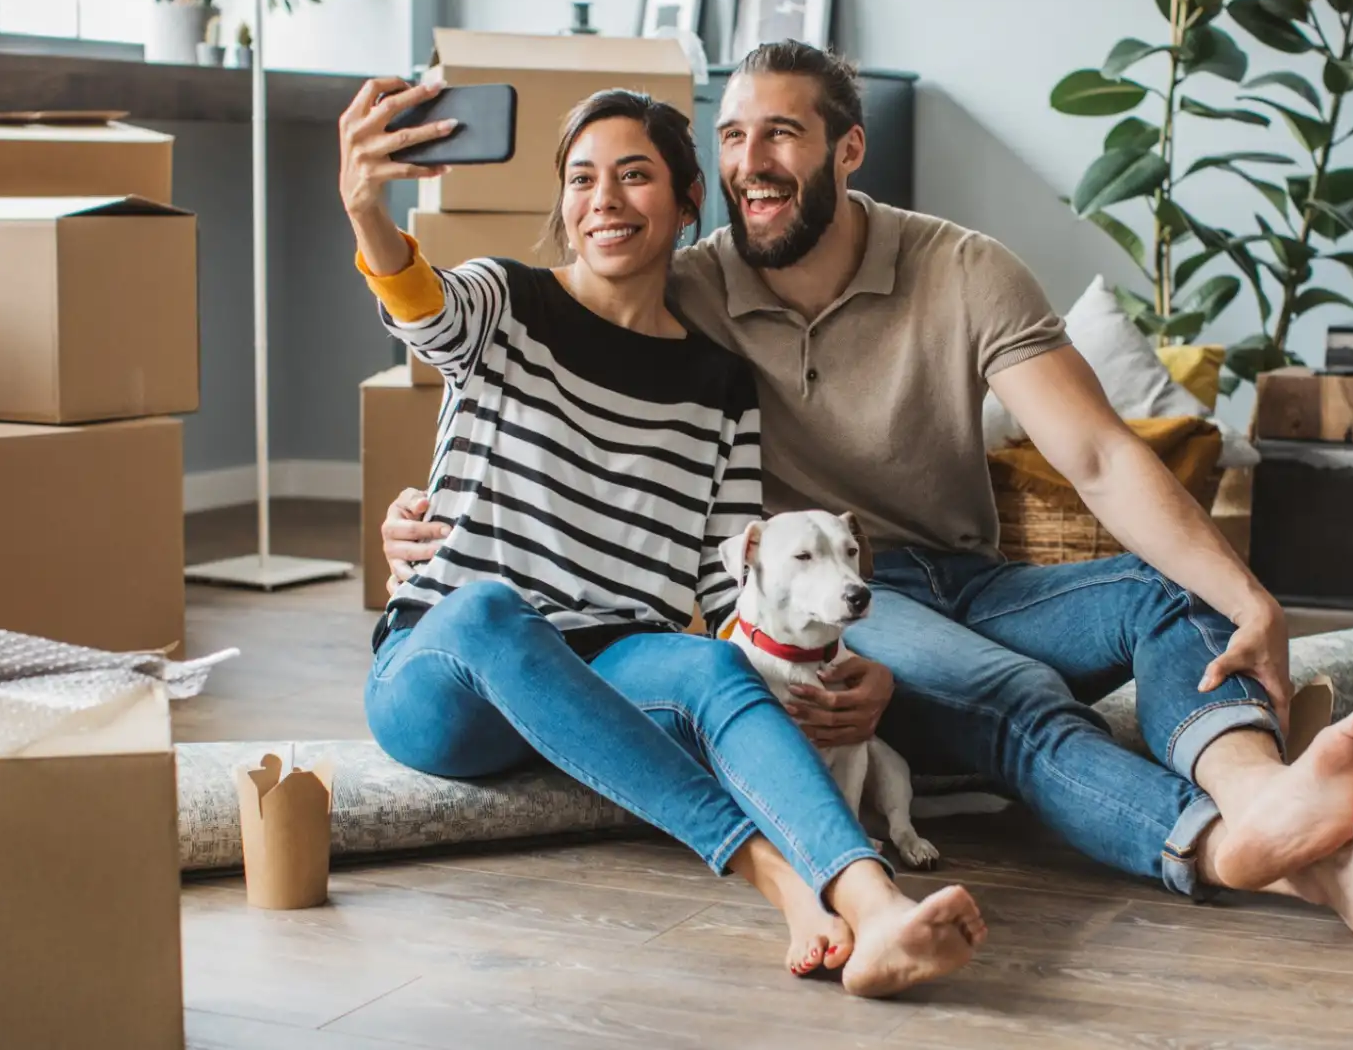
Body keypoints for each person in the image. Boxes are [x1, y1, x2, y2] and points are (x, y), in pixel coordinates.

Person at [383, 42, 1353, 940]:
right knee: (1014, 699)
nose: (753, 162)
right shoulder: (686, 279)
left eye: (783, 135)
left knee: (1177, 596)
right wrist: (432, 526)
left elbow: (1102, 457)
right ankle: (1217, 846)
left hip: (977, 574)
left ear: (847, 148)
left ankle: (1271, 813)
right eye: (735, 137)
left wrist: (1252, 600)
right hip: (850, 605)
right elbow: (539, 380)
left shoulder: (961, 269)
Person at [337, 78, 987, 996]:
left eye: (634, 175)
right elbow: (422, 307)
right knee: (490, 611)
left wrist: (834, 667)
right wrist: (367, 207)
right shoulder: (504, 304)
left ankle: (875, 908)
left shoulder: (718, 386)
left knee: (714, 665)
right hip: (447, 675)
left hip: (610, 668)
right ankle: (782, 879)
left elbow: (735, 596)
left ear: (688, 202)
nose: (602, 199)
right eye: (581, 178)